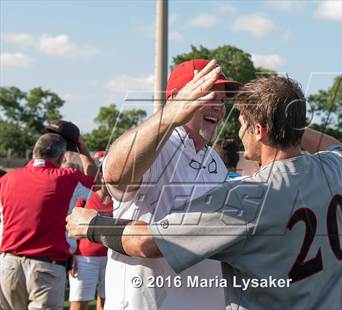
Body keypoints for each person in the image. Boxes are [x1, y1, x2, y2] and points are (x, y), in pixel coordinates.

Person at [67, 74, 342, 309]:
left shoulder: (250, 196)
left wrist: (91, 224)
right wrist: (284, 116)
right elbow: (336, 146)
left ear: (259, 130)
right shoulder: (338, 166)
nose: (238, 131)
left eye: (243, 123)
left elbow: (147, 243)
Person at [71, 59, 239, 309]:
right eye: (208, 96)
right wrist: (170, 115)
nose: (218, 107)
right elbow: (115, 173)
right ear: (176, 98)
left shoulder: (214, 160)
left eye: (222, 101)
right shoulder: (158, 144)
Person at [0, 132, 96, 310]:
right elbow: (98, 185)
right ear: (62, 157)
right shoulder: (68, 177)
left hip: (8, 265)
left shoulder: (6, 179)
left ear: (35, 151)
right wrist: (82, 149)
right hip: (46, 267)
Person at [68, 151, 113, 310]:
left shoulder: (119, 199)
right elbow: (70, 226)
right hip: (84, 259)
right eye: (100, 169)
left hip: (111, 257)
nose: (102, 175)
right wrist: (71, 254)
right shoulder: (84, 195)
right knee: (79, 304)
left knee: (108, 304)